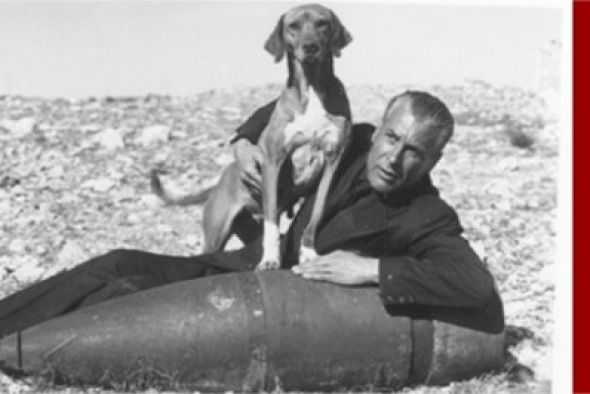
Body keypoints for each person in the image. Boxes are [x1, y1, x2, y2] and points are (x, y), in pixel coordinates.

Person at [0, 90, 501, 338]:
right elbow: (287, 108)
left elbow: (474, 283)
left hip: (273, 305)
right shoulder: (357, 136)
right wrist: (243, 139)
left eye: (415, 151)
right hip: (254, 263)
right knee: (118, 263)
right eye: (393, 138)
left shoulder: (425, 213)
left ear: (434, 160)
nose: (394, 158)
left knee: (127, 292)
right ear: (382, 128)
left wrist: (371, 269)